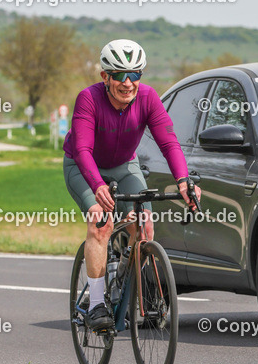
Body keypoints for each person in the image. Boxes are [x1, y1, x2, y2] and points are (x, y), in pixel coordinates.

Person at [63, 39, 200, 330]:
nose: (128, 83)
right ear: (105, 77)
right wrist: (98, 185)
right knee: (100, 223)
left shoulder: (149, 98)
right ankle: (98, 303)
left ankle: (128, 279)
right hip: (82, 166)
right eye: (120, 75)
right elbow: (82, 150)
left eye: (135, 75)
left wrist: (184, 181)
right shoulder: (88, 99)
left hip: (125, 165)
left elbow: (168, 142)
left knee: (145, 225)